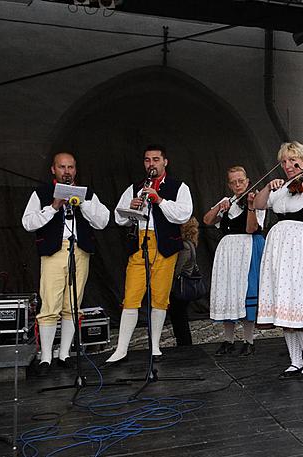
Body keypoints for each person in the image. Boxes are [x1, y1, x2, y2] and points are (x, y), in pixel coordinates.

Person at [253, 141, 303, 380]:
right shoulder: (280, 187)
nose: (288, 165)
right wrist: (269, 187)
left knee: (300, 302)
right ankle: (294, 360)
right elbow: (258, 205)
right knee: (283, 302)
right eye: (284, 161)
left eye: (292, 160)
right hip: (279, 247)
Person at [22, 152, 109, 376]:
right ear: (53, 169)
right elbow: (28, 223)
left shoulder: (87, 193)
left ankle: (65, 354)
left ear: (75, 170)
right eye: (62, 167)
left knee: (73, 304)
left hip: (79, 251)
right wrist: (53, 207)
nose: (67, 171)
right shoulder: (41, 192)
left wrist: (84, 206)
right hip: (54, 251)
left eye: (70, 167)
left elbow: (102, 221)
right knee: (50, 304)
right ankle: (46, 357)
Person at [105, 144, 193, 365]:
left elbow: (183, 215)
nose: (151, 164)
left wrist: (159, 200)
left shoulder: (178, 186)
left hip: (164, 247)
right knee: (131, 297)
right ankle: (121, 349)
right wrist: (132, 208)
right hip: (140, 244)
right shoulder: (134, 187)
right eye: (147, 160)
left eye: (155, 159)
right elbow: (119, 218)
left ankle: (155, 346)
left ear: (165, 162)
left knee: (160, 299)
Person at [203, 166, 265, 356]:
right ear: (229, 185)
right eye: (233, 182)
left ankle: (249, 341)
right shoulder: (226, 201)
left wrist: (251, 206)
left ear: (247, 181)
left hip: (248, 246)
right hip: (228, 251)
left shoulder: (256, 200)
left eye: (241, 181)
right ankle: (228, 340)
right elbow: (207, 220)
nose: (238, 185)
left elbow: (250, 228)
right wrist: (220, 208)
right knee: (228, 292)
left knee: (246, 292)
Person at [168, 217, 200, 346]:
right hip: (184, 283)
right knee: (180, 316)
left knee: (179, 316)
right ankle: (183, 342)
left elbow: (178, 269)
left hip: (180, 285)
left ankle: (184, 343)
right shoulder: (191, 244)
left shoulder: (185, 246)